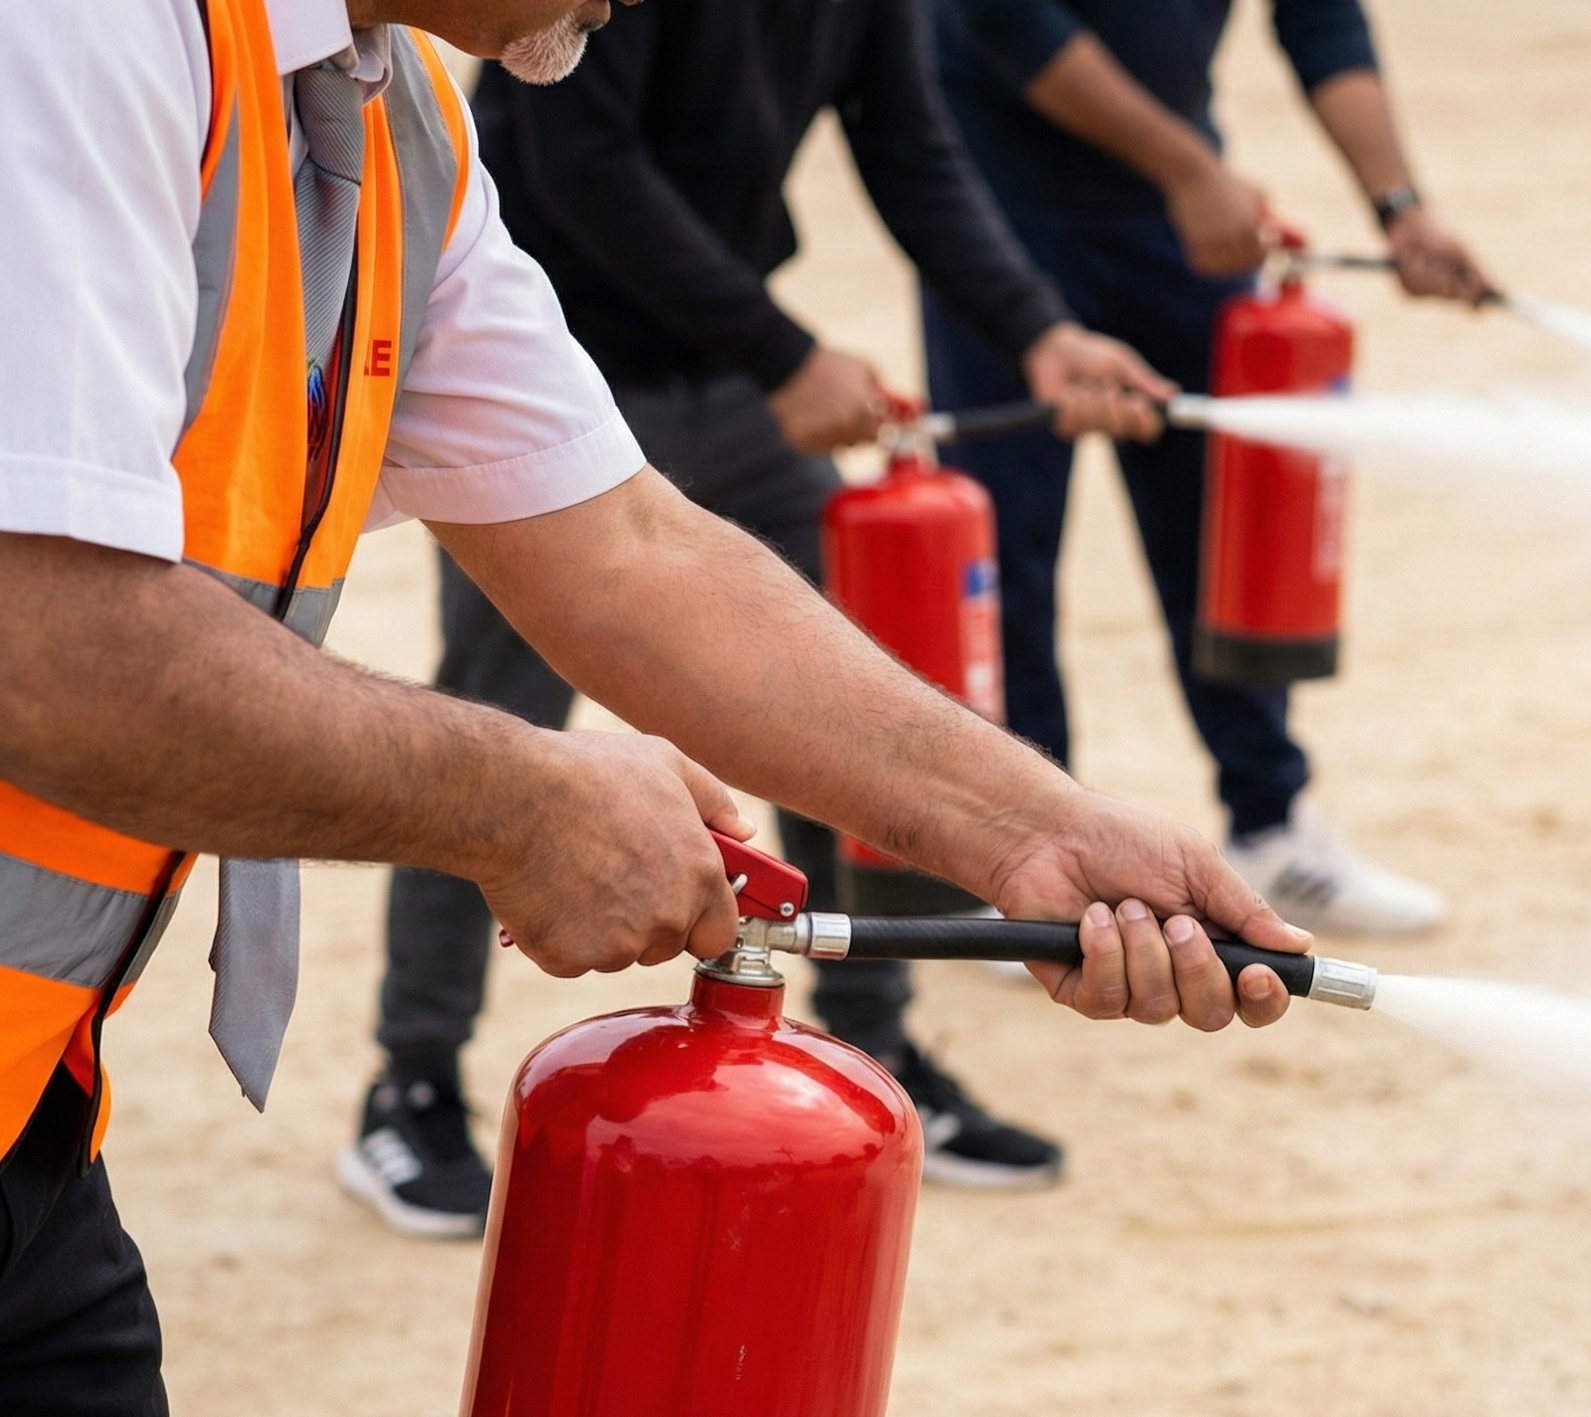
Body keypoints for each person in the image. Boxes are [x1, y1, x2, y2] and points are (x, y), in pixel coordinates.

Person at [0, 0, 1308, 1408]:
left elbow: (626, 550)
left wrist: (1033, 833)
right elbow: (45, 641)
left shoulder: (394, 129)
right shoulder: (77, 32)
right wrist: (522, 800)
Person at [344, 0, 1177, 1241]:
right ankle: (410, 1083)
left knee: (836, 687)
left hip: (732, 378)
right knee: (499, 718)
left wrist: (1037, 331)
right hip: (553, 368)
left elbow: (912, 149)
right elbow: (583, 162)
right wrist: (787, 352)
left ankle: (881, 1041)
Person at [922, 0, 1499, 936]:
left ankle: (1271, 821)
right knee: (1005, 551)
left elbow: (1322, 23)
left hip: (1178, 228)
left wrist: (1401, 209)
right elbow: (1003, 19)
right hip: (999, 225)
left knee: (1228, 528)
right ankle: (1019, 868)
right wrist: (1191, 169)